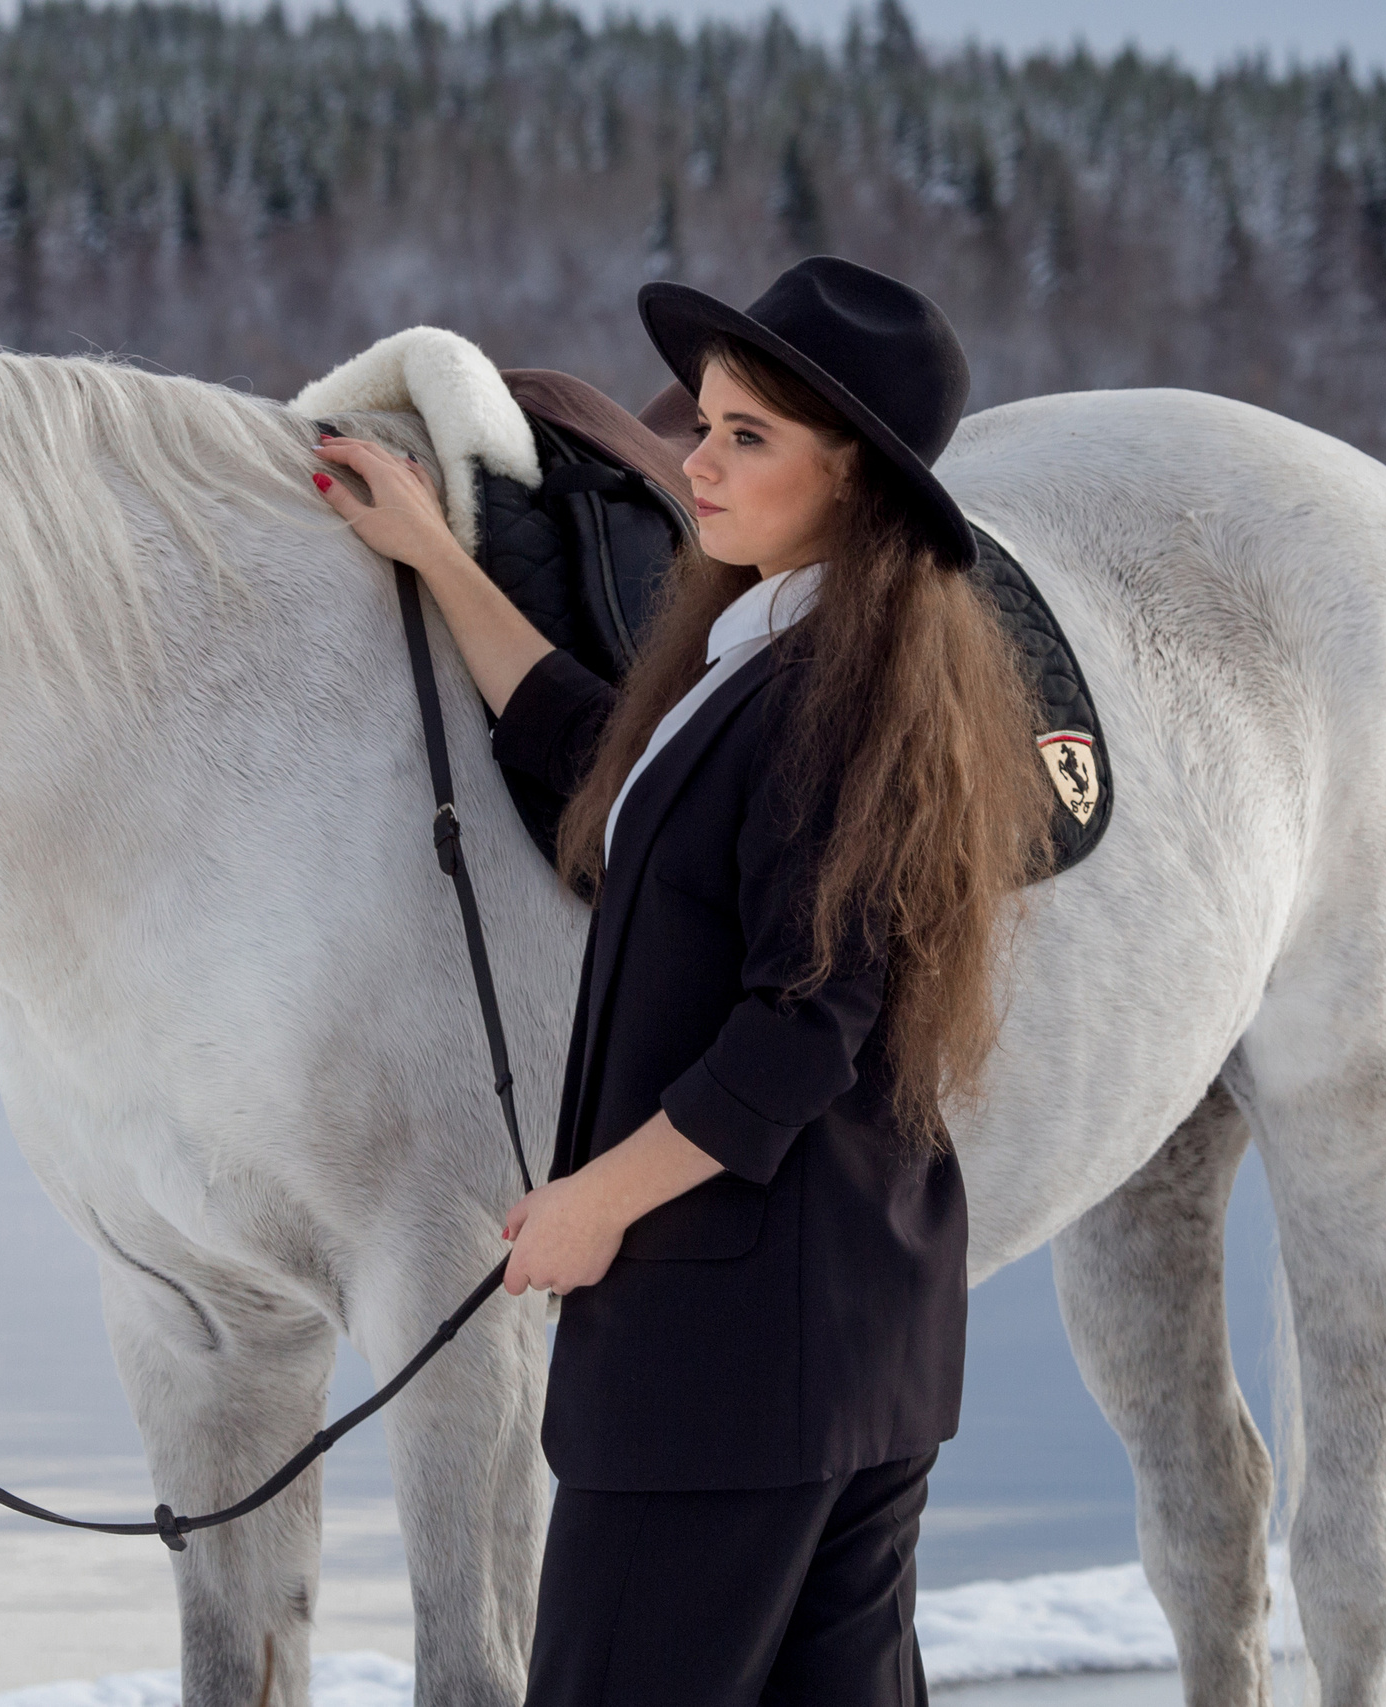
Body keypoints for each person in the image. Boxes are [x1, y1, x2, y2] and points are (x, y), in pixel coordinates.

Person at [311, 257, 1055, 1706]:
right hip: (857, 1339)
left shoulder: (827, 702)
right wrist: (444, 563)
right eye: (704, 425)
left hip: (728, 1367)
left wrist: (595, 1204)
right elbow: (609, 765)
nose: (696, 462)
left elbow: (800, 1032)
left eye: (747, 438)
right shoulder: (797, 657)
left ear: (855, 485)